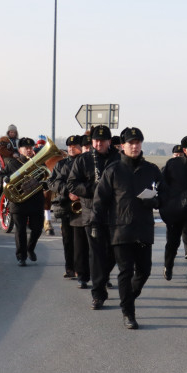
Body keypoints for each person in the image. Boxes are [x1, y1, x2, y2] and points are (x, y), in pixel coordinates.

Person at [94, 127, 161, 329]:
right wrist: (96, 226)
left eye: (138, 142)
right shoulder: (113, 170)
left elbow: (163, 196)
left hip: (143, 229)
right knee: (125, 271)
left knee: (144, 271)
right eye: (130, 143)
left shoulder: (152, 170)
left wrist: (153, 201)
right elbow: (100, 201)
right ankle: (128, 314)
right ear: (122, 146)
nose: (134, 146)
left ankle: (128, 297)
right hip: (120, 229)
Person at [68, 125, 120, 307]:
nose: (98, 144)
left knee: (114, 253)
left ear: (109, 142)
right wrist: (94, 190)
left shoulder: (119, 159)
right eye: (95, 141)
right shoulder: (83, 159)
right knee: (96, 254)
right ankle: (98, 293)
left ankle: (101, 276)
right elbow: (72, 184)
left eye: (102, 141)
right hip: (92, 213)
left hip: (115, 214)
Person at [160, 134, 187, 288]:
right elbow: (162, 186)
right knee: (173, 242)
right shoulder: (173, 164)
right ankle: (168, 265)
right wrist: (165, 205)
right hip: (176, 211)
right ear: (184, 150)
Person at [48, 135, 87, 281]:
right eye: (69, 146)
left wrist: (79, 192)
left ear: (80, 147)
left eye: (74, 146)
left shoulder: (85, 163)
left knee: (80, 241)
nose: (71, 148)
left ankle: (80, 269)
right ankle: (69, 268)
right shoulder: (61, 164)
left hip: (81, 206)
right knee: (67, 240)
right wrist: (67, 191)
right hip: (65, 206)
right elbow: (52, 182)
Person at [4, 137, 46, 266]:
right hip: (19, 203)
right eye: (26, 148)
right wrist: (5, 178)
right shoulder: (12, 163)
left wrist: (45, 184)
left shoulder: (39, 163)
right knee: (20, 230)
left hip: (36, 201)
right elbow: (2, 175)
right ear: (20, 150)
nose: (29, 150)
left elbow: (47, 178)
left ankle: (30, 248)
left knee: (38, 229)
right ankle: (21, 257)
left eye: (31, 148)